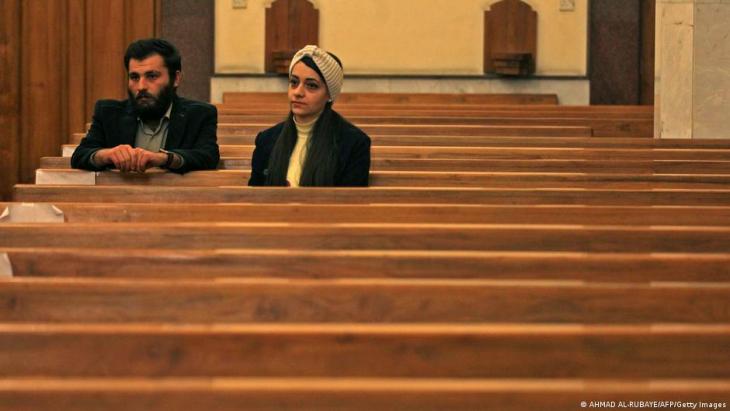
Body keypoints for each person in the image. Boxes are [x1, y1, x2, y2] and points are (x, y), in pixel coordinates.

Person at [71, 38, 219, 173]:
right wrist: (106, 155)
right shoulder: (108, 113)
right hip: (117, 200)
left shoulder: (199, 115)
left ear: (176, 79)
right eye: (134, 77)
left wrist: (164, 159)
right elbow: (80, 156)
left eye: (152, 76)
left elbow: (208, 156)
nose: (141, 86)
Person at [248, 45, 371, 187]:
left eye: (311, 86)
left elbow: (351, 205)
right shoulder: (266, 140)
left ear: (330, 95)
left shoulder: (353, 144)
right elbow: (254, 197)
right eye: (294, 82)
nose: (298, 92)